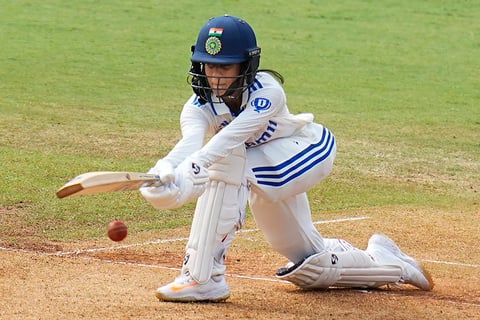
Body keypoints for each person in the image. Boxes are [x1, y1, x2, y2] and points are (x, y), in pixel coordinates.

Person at [140, 15, 434, 302]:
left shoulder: (267, 91)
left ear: (246, 65)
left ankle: (203, 277)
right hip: (264, 165)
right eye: (209, 66)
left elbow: (226, 141)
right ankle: (388, 262)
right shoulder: (197, 105)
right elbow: (189, 143)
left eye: (225, 67)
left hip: (305, 151)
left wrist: (190, 172)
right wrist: (163, 170)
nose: (215, 76)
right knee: (309, 265)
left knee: (229, 161)